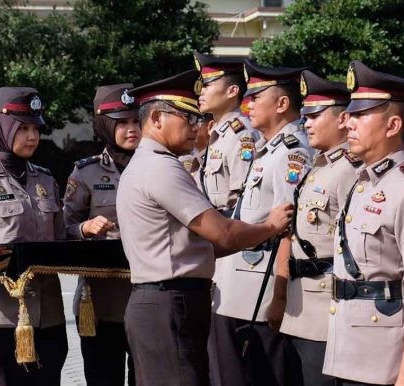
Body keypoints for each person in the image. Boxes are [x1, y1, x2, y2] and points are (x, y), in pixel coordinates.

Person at [116, 70, 293, 386]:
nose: (196, 127)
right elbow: (221, 232)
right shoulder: (161, 167)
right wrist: (270, 226)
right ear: (156, 119)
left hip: (164, 301)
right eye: (186, 118)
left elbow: (206, 246)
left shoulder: (149, 163)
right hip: (170, 303)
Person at [322, 60, 404, 385]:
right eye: (350, 115)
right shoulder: (363, 181)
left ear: (393, 125)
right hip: (347, 346)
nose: (348, 124)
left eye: (360, 116)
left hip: (382, 358)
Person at [209, 60, 312, 386]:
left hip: (259, 290)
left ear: (282, 103)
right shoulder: (270, 149)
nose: (247, 104)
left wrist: (278, 298)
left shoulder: (291, 154)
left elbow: (288, 230)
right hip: (237, 287)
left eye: (256, 97)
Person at [266, 70, 357, 386]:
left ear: (343, 119)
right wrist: (279, 298)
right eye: (305, 116)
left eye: (316, 116)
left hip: (325, 311)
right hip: (298, 306)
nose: (306, 123)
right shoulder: (318, 166)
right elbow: (292, 234)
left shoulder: (349, 170)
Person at [0, 87, 67, 385]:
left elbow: (62, 238)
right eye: (22, 128)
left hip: (50, 314)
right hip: (4, 317)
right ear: (1, 129)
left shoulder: (45, 179)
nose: (32, 137)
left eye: (35, 129)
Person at [62, 83, 139, 386]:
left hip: (145, 299)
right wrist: (85, 228)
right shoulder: (85, 173)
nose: (132, 129)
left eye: (136, 120)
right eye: (122, 122)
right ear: (105, 125)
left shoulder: (159, 167)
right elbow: (62, 230)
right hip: (99, 303)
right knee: (101, 378)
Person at [193, 52, 258, 217]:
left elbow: (242, 198)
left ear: (232, 91)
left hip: (229, 225)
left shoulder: (241, 134)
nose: (201, 92)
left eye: (207, 85)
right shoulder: (220, 132)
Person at [180, 113, 214, 185]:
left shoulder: (217, 157)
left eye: (198, 123)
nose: (193, 128)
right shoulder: (185, 157)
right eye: (191, 123)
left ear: (211, 126)